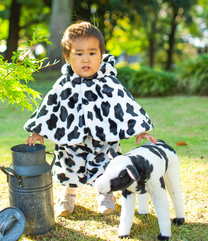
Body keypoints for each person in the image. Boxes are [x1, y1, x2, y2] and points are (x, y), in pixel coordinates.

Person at [24, 21, 157, 217]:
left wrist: (139, 128)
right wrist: (38, 130)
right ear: (67, 57)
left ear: (101, 56)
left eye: (92, 53)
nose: (86, 59)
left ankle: (106, 195)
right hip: (71, 134)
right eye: (79, 54)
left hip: (104, 135)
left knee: (106, 163)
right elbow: (50, 105)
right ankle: (67, 194)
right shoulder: (64, 84)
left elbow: (125, 104)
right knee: (68, 162)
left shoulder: (108, 82)